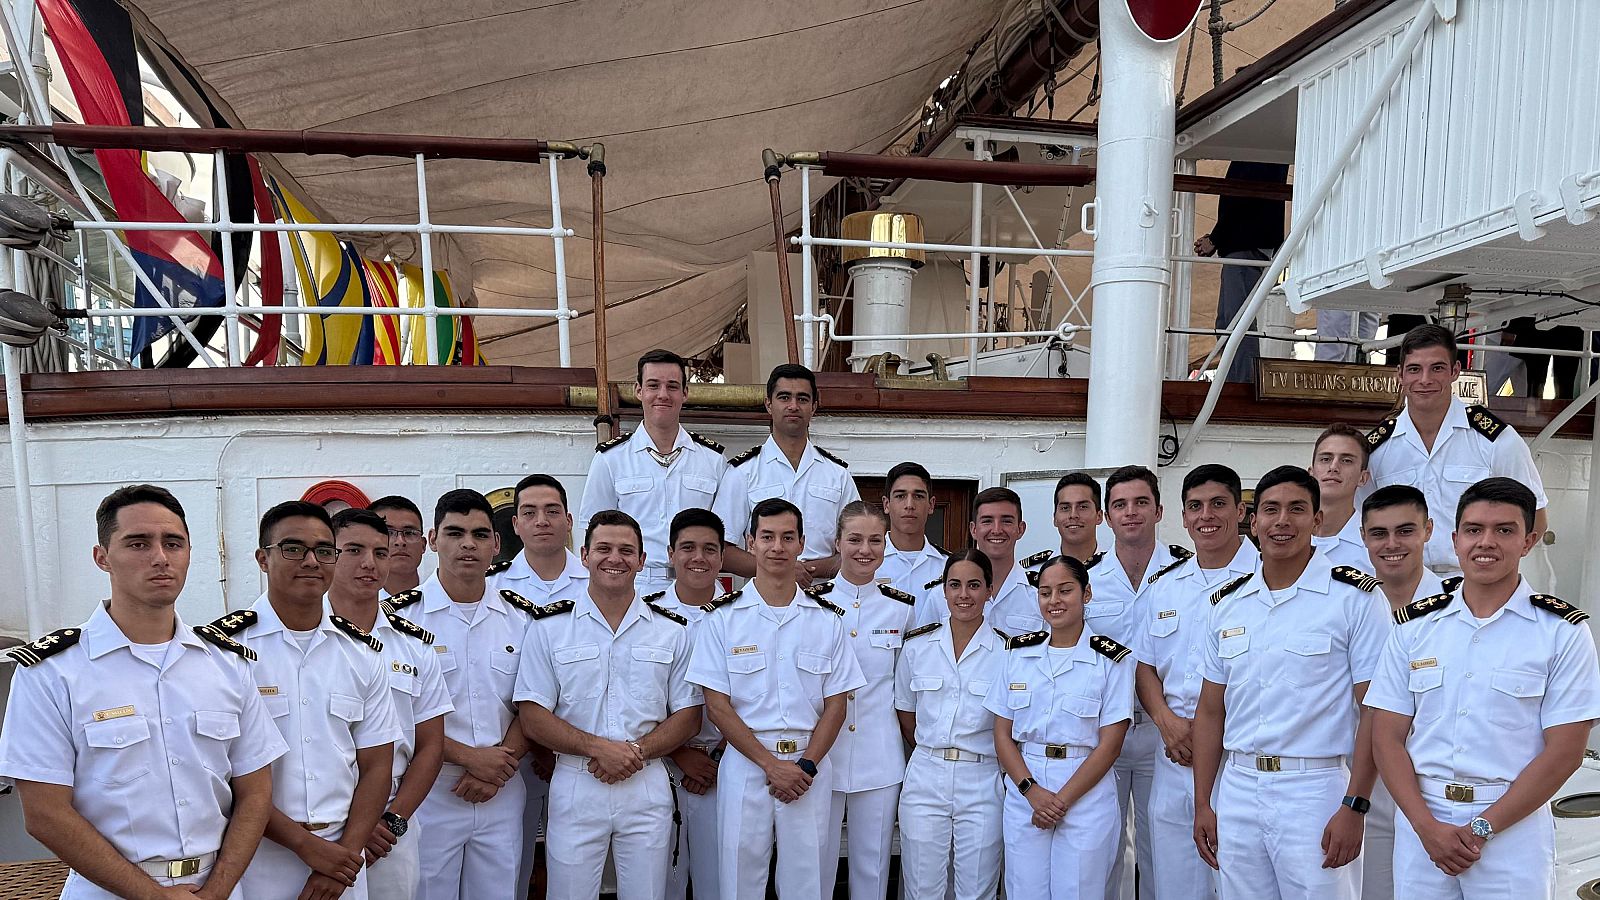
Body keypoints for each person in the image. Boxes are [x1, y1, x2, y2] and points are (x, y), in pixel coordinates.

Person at [0, 485, 285, 900]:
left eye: (174, 543)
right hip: (109, 889)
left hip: (217, 887)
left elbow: (256, 792)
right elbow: (44, 813)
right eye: (138, 543)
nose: (160, 557)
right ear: (102, 557)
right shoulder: (53, 672)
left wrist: (218, 889)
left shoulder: (227, 666)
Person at [1366, 477, 1600, 900]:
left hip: (1513, 829)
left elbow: (1565, 750)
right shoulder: (1414, 628)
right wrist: (1426, 826)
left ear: (1528, 541)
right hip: (1424, 824)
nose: (1485, 542)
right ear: (1455, 540)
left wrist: (1482, 827)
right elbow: (1386, 736)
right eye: (1474, 530)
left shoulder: (1562, 633)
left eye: (1504, 530)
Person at [1191, 466, 1387, 900]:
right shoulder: (1228, 605)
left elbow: (1376, 710)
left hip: (1314, 790)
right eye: (1270, 510)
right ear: (1254, 521)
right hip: (1238, 787)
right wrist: (1204, 801)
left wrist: (1355, 804)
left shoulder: (1354, 598)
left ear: (1317, 521)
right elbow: (1209, 710)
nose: (1282, 521)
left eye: (1297, 509)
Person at [685, 498, 867, 900]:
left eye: (787, 537)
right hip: (747, 764)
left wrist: (803, 766)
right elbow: (717, 706)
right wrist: (771, 765)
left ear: (802, 543)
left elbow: (837, 705)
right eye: (767, 537)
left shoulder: (826, 621)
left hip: (808, 767)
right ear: (750, 541)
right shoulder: (722, 620)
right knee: (738, 881)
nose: (777, 547)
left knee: (807, 882)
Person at [515, 509, 703, 900]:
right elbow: (532, 716)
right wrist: (598, 748)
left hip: (646, 780)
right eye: (603, 548)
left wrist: (635, 751)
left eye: (625, 550)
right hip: (577, 781)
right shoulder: (549, 627)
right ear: (583, 555)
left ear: (642, 560)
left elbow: (688, 714)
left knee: (648, 894)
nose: (614, 558)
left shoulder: (671, 631)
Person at [218, 501, 401, 900]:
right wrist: (305, 846)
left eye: (323, 550)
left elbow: (376, 765)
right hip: (254, 854)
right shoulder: (223, 653)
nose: (311, 561)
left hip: (342, 853)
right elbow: (225, 772)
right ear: (263, 559)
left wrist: (344, 856)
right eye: (293, 548)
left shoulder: (362, 655)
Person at [394, 489, 538, 900]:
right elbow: (397, 713)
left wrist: (499, 766)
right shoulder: (400, 620)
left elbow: (534, 702)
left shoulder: (522, 618)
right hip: (430, 789)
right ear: (433, 539)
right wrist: (471, 759)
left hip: (503, 786)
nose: (468, 544)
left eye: (479, 534)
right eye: (455, 533)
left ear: (496, 543)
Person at [1135, 465, 1258, 900]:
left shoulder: (1266, 579)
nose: (1207, 515)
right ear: (1183, 518)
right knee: (1175, 884)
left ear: (1241, 511)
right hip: (1174, 754)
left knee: (1236, 884)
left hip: (1237, 760)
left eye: (1219, 504)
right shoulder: (1164, 587)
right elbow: (1144, 665)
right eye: (1196, 507)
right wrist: (1165, 721)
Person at [987, 554, 1134, 899]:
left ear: (1086, 594)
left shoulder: (1112, 660)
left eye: (1065, 591)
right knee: (1025, 891)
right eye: (1045, 592)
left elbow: (1110, 745)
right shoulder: (1017, 654)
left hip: (1085, 789)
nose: (1054, 601)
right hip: (1027, 784)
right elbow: (1002, 734)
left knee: (1079, 891)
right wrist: (1031, 791)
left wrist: (1060, 802)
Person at [327, 508, 454, 900]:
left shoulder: (413, 645)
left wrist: (394, 820)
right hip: (321, 820)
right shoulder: (301, 641)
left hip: (389, 824)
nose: (369, 564)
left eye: (380, 553)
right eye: (353, 550)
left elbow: (430, 744)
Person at [1364, 325, 1548, 573]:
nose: (1425, 379)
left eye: (1437, 368)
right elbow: (1362, 523)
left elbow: (1536, 519)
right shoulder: (1376, 449)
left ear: (1455, 371)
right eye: (1414, 369)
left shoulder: (1496, 440)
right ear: (1400, 374)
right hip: (1400, 586)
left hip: (1472, 586)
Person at [1087, 464, 1189, 900]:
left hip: (1163, 733)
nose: (1131, 513)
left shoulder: (1185, 573)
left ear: (1159, 509)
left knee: (1163, 849)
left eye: (1140, 502)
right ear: (1107, 517)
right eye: (1120, 505)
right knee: (1103, 848)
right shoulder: (1084, 579)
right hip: (1098, 733)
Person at [485, 472, 587, 873]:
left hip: (579, 750)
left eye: (551, 511)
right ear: (515, 525)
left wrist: (556, 742)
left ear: (569, 521)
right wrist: (534, 742)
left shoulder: (597, 583)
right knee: (510, 864)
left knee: (579, 869)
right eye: (529, 512)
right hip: (510, 753)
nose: (541, 520)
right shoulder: (492, 587)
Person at [817, 502, 916, 900]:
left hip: (879, 755)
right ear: (837, 542)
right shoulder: (813, 602)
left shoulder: (902, 607)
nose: (865, 549)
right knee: (816, 864)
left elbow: (907, 684)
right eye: (855, 539)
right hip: (823, 754)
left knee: (873, 866)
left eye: (875, 540)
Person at [895, 549, 1006, 900]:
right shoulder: (918, 645)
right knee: (921, 885)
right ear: (943, 590)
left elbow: (1012, 722)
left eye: (974, 585)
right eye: (954, 585)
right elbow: (906, 711)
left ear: (990, 590)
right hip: (927, 773)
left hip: (983, 775)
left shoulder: (1008, 651)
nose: (963, 595)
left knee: (977, 887)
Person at [1355, 485, 1447, 900]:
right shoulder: (1344, 604)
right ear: (1363, 536)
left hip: (1434, 788)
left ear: (1428, 530)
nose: (1391, 544)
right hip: (1362, 784)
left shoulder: (1460, 607)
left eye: (1404, 531)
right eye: (1379, 533)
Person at [576, 349, 728, 596]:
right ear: (639, 391)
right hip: (634, 588)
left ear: (685, 393)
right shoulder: (610, 459)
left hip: (699, 587)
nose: (663, 395)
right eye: (653, 385)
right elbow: (593, 534)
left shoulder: (713, 460)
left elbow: (725, 538)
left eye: (672, 386)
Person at [713, 364, 860, 585]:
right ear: (768, 405)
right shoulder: (742, 472)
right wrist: (781, 570)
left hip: (824, 599)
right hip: (763, 602)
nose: (793, 406)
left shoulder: (837, 475)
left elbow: (857, 544)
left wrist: (807, 570)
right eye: (784, 397)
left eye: (802, 399)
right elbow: (721, 549)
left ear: (814, 407)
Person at [652, 509, 731, 900]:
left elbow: (760, 696)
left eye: (709, 549)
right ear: (670, 553)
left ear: (721, 557)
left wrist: (715, 758)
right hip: (660, 766)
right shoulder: (646, 615)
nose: (698, 557)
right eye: (687, 547)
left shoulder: (745, 613)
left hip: (728, 765)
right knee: (661, 881)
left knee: (720, 883)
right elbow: (636, 697)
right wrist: (681, 753)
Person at [1193, 160, 1289, 383]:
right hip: (1248, 244)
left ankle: (1242, 382)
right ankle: (1237, 380)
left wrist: (1216, 238)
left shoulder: (1255, 152)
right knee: (1229, 319)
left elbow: (1244, 195)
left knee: (1235, 319)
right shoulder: (1263, 153)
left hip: (1247, 244)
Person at [913, 488, 1035, 636]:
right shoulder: (940, 595)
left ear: (1020, 529)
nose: (997, 530)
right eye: (987, 521)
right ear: (974, 529)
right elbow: (924, 651)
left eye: (1006, 521)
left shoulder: (1039, 595)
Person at [879, 461, 948, 599]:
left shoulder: (948, 565)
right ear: (887, 504)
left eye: (918, 496)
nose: (909, 505)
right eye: (900, 496)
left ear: (931, 505)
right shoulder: (868, 561)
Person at [1310, 424, 1373, 571]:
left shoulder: (1374, 545)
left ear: (1363, 478)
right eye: (1325, 459)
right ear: (1311, 473)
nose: (1333, 467)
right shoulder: (1289, 535)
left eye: (1346, 460)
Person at [371, 495, 428, 596]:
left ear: (423, 545)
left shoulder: (445, 599)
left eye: (409, 533)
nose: (400, 541)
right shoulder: (349, 605)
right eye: (388, 532)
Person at [1051, 472, 1105, 564]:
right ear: (1055, 518)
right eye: (1065, 508)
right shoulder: (1034, 573)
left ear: (1099, 516)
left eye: (1083, 507)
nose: (1073, 515)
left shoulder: (1121, 570)